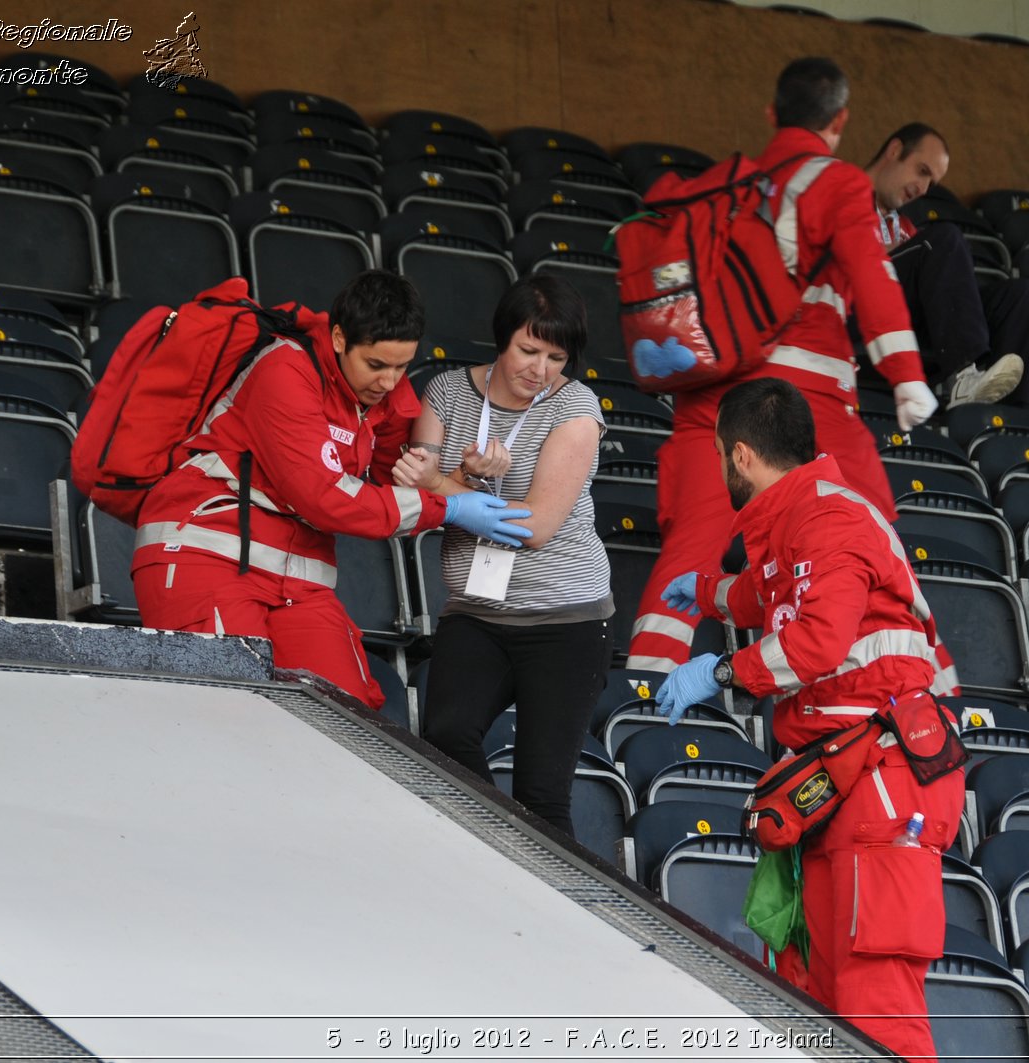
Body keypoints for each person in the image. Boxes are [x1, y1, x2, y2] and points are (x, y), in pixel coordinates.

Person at [652, 378, 962, 1060]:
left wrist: (721, 671)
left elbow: (818, 637)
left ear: (738, 455)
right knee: (811, 988)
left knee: (874, 1002)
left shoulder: (830, 520)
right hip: (839, 779)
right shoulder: (799, 519)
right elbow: (770, 589)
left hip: (883, 783)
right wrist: (708, 595)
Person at [627, 56, 936, 674]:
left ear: (772, 114)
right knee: (871, 555)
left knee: (687, 560)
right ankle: (918, 707)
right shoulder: (836, 181)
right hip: (802, 404)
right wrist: (906, 376)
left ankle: (640, 700)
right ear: (841, 120)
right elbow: (873, 279)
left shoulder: (721, 187)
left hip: (708, 401)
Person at [132, 270, 533, 707]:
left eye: (401, 367)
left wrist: (465, 480)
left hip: (298, 578)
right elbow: (325, 499)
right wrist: (450, 508)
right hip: (205, 553)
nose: (388, 381)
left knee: (347, 716)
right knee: (231, 711)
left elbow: (403, 487)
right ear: (339, 339)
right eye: (376, 365)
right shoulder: (284, 369)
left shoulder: (386, 397)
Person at [392, 275, 612, 836]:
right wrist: (461, 477)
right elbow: (415, 489)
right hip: (475, 614)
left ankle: (545, 893)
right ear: (502, 338)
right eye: (528, 349)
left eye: (556, 357)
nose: (540, 369)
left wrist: (446, 482)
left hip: (566, 621)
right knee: (444, 739)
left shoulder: (577, 407)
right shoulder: (445, 392)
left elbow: (534, 527)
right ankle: (504, 850)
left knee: (543, 793)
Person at [865, 122, 1029, 407]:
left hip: (903, 324)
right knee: (943, 238)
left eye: (931, 183)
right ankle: (962, 377)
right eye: (922, 171)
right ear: (894, 150)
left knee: (1018, 295)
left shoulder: (905, 227)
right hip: (853, 315)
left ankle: (1013, 425)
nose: (922, 189)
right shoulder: (843, 192)